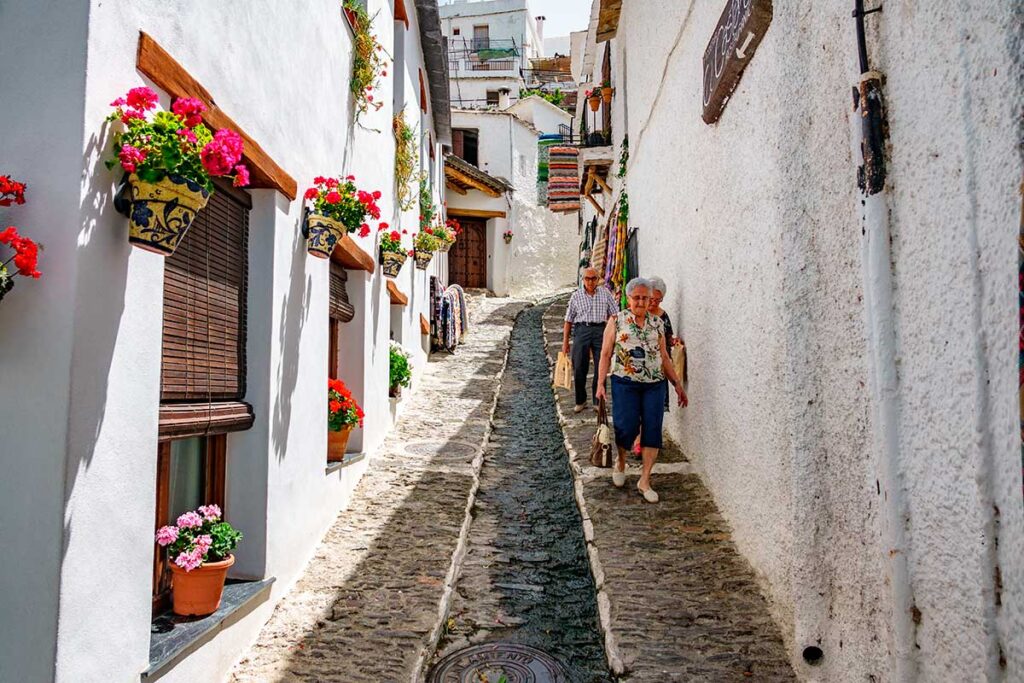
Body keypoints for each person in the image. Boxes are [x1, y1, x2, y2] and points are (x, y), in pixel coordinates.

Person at [596, 277, 687, 503]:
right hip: (624, 382)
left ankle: (644, 480)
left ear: (650, 300)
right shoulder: (616, 321)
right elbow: (606, 354)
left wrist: (676, 384)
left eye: (645, 298)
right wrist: (599, 383)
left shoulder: (657, 324)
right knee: (625, 426)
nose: (640, 301)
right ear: (628, 299)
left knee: (652, 430)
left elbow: (664, 357)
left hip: (654, 385)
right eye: (636, 297)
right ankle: (621, 461)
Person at [562, 267, 619, 413]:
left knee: (602, 364)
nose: (590, 282)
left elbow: (615, 315)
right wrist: (565, 343)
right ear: (583, 280)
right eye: (587, 278)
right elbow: (568, 320)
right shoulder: (576, 296)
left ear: (598, 279)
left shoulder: (605, 294)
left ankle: (597, 401)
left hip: (601, 330)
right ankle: (580, 400)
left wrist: (614, 335)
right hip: (582, 329)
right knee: (579, 365)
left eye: (593, 278)